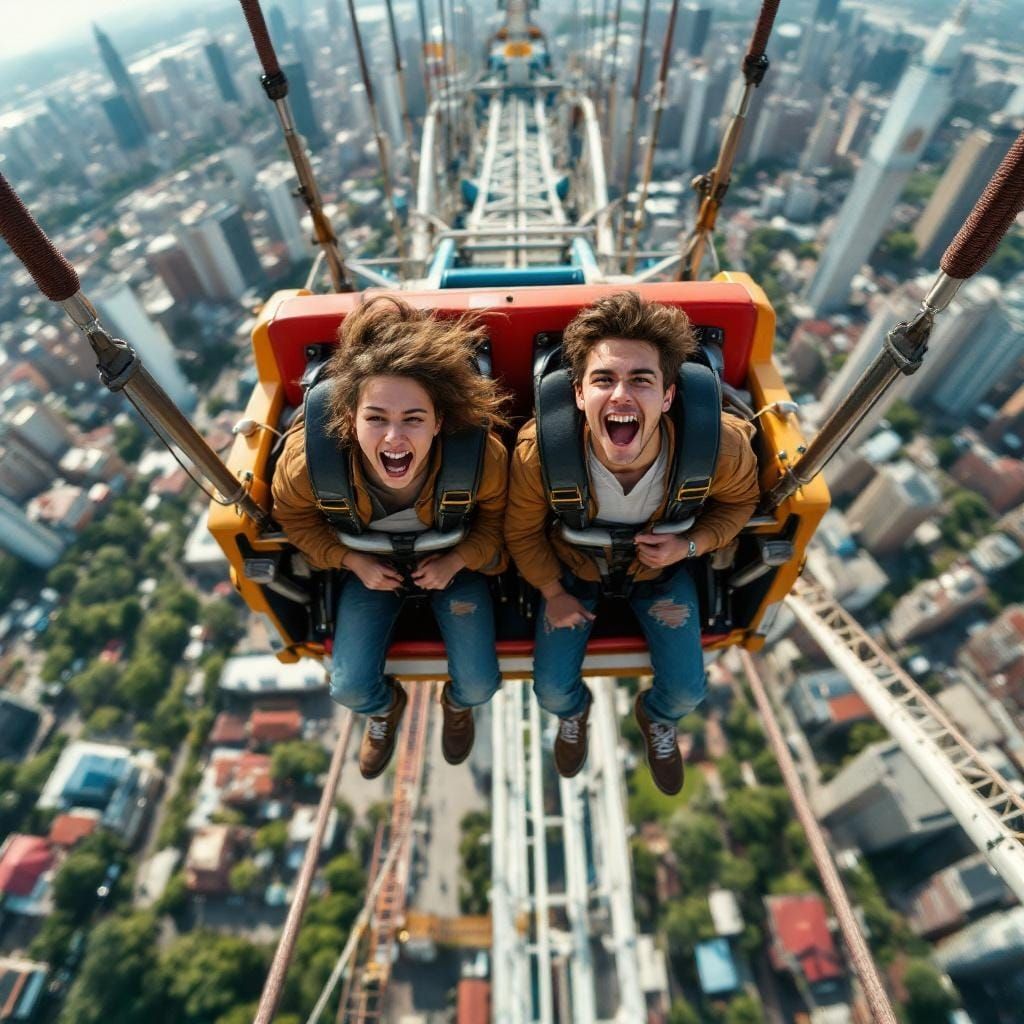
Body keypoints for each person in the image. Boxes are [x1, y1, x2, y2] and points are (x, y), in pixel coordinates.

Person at [505, 291, 759, 795]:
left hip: (659, 574)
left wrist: (689, 546)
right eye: (604, 379)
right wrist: (553, 592)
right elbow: (521, 530)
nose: (621, 395)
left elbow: (740, 505)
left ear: (667, 396)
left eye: (640, 380)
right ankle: (575, 713)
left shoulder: (718, 449)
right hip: (575, 573)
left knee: (688, 691)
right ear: (578, 394)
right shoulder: (542, 454)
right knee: (552, 691)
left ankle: (656, 716)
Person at [272, 297, 509, 779]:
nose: (394, 439)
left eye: (413, 419)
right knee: (350, 689)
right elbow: (293, 519)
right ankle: (385, 709)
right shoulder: (308, 466)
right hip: (367, 569)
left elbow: (501, 521)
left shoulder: (481, 459)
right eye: (376, 418)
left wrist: (459, 559)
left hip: (450, 566)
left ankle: (458, 705)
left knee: (481, 684)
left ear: (439, 422)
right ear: (349, 418)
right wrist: (348, 560)